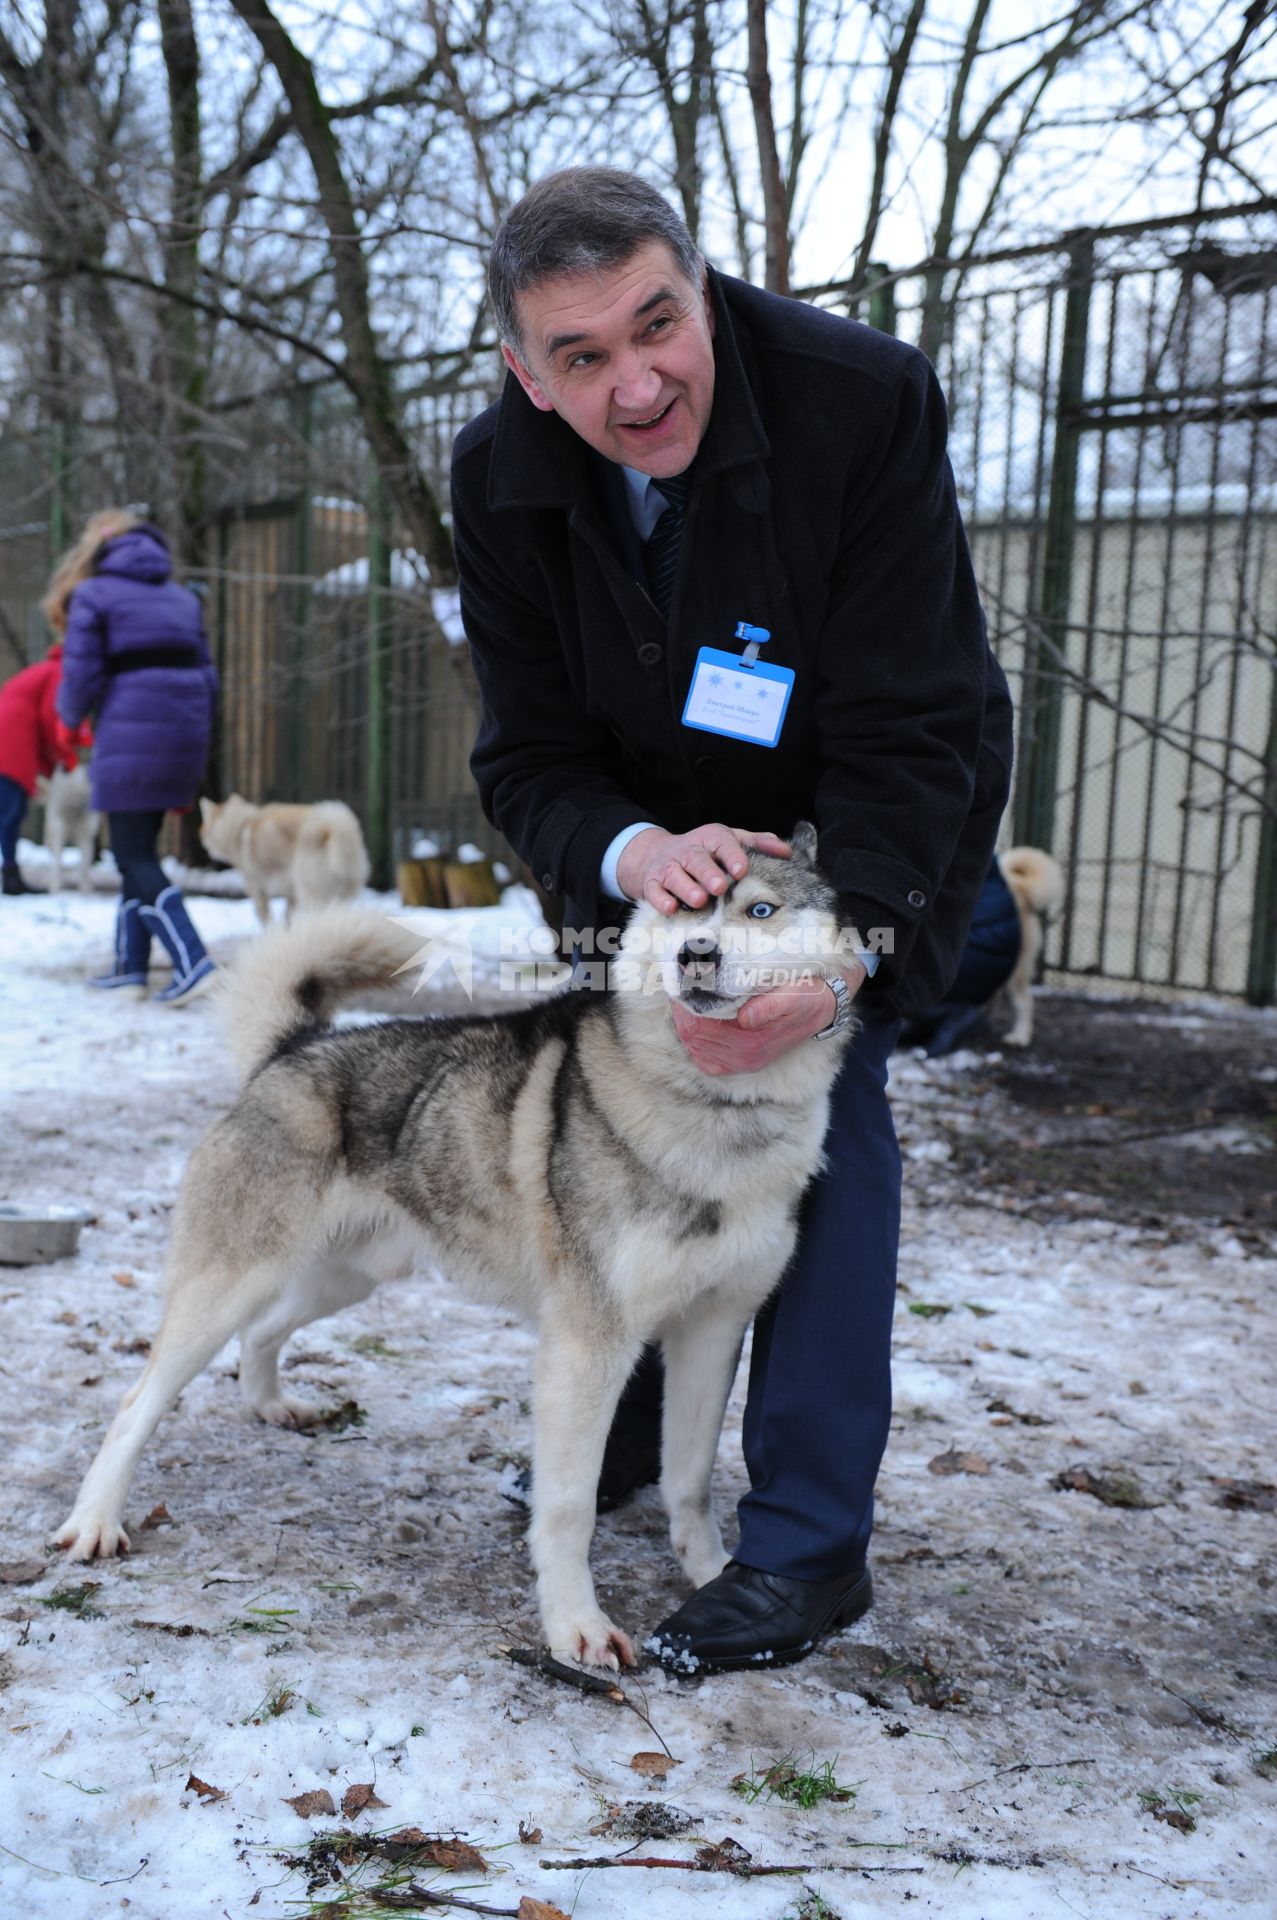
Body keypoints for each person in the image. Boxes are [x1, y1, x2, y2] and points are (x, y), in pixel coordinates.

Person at [451, 168, 1013, 1674]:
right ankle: (631, 1430)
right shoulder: (495, 475)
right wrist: (632, 855)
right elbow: (525, 755)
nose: (639, 384)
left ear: (701, 285)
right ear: (524, 372)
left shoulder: (862, 399)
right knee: (624, 1115)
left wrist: (839, 965)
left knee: (817, 1128)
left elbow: (915, 720)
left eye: (659, 323)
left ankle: (807, 1547)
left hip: (866, 814)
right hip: (652, 857)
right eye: (581, 358)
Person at [48, 510, 219, 1003]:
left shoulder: (93, 594)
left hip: (130, 733)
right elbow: (209, 681)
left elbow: (79, 673)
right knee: (138, 848)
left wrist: (67, 719)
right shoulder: (180, 598)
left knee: (130, 852)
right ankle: (131, 966)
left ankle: (193, 960)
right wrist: (194, 761)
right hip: (183, 736)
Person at [898, 857, 1022, 1056]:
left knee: (889, 972)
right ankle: (929, 1021)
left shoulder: (937, 842)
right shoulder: (968, 838)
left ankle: (955, 1013)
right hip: (986, 953)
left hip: (976, 955)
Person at [0, 643, 87, 894]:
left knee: (10, 812)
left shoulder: (48, 669)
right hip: (12, 740)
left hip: (13, 736)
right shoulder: (60, 672)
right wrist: (64, 755)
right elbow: (53, 716)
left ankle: (11, 873)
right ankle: (11, 876)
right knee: (9, 812)